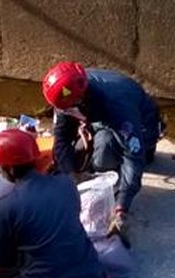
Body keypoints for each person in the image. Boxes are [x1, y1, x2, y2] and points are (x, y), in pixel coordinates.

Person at [0, 129, 107, 278]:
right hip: (92, 277)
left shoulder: (5, 208)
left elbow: (5, 260)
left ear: (9, 169)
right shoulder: (65, 183)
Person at [42, 61, 164, 245]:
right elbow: (62, 138)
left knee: (103, 151)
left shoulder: (118, 107)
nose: (64, 111)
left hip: (141, 128)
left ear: (80, 98)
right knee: (73, 156)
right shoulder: (68, 93)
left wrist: (121, 208)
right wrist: (70, 176)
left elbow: (133, 156)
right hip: (99, 116)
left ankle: (113, 173)